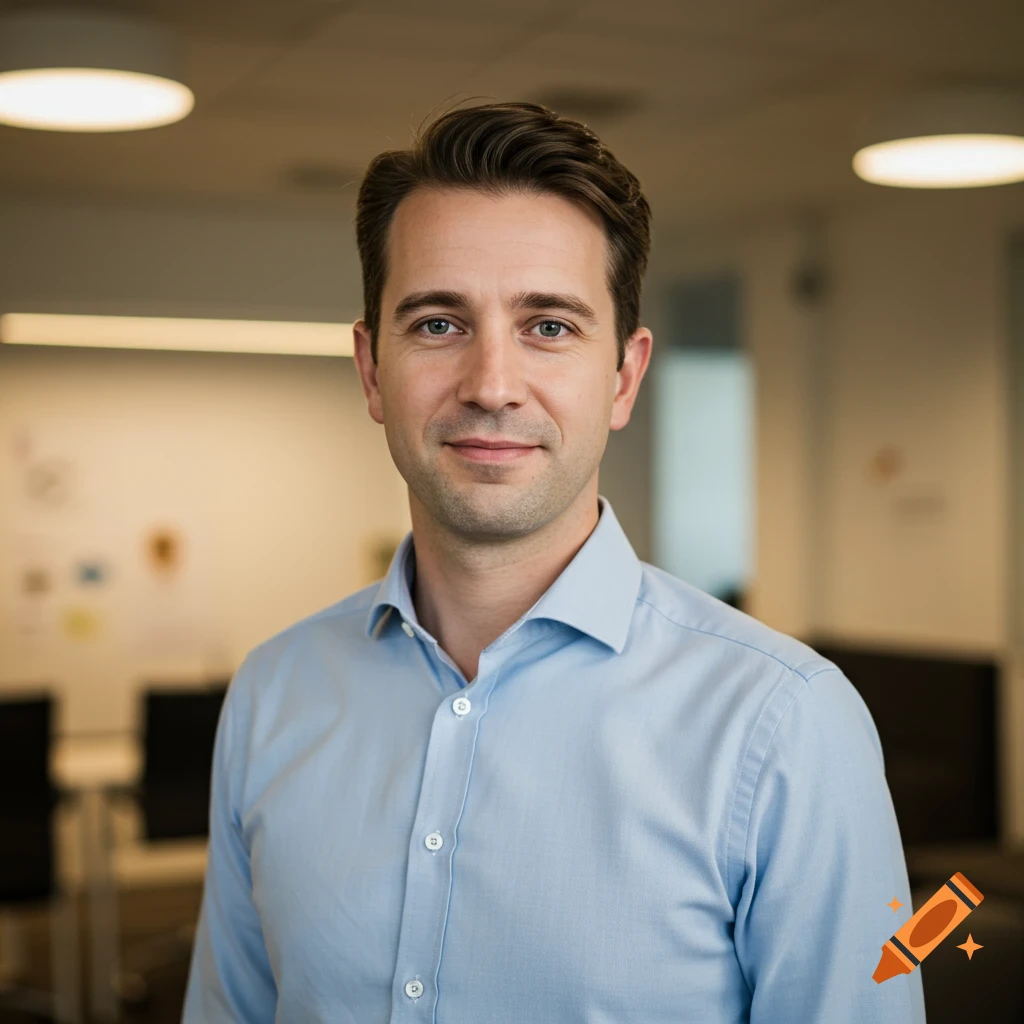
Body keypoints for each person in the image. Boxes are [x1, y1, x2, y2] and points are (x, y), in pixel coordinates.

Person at [183, 101, 925, 1023]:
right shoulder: (275, 694)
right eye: (439, 324)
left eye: (549, 327)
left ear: (623, 376)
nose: (492, 385)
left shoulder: (783, 725)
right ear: (372, 370)